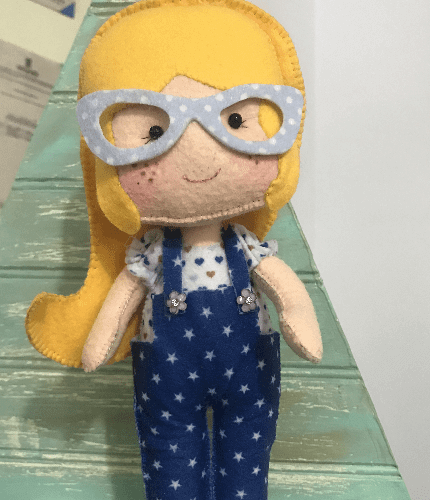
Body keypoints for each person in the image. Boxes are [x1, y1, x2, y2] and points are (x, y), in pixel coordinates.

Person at [27, 1, 322, 498]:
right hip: (168, 375)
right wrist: (100, 340)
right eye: (154, 132)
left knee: (248, 461)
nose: (199, 152)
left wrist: (296, 313)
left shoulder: (244, 245)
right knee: (169, 462)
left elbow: (285, 289)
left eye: (233, 117)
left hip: (246, 369)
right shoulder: (150, 253)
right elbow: (123, 296)